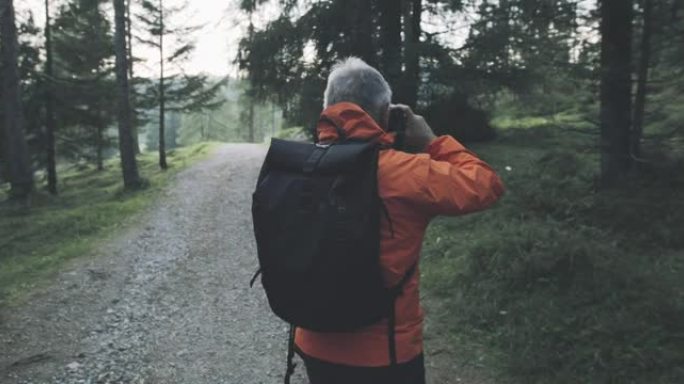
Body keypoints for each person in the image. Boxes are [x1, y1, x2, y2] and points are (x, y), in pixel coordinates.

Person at [293, 57, 505, 384]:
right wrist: (431, 141)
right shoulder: (405, 172)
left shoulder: (300, 168)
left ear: (328, 107)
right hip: (384, 355)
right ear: (386, 114)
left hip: (314, 342)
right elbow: (485, 184)